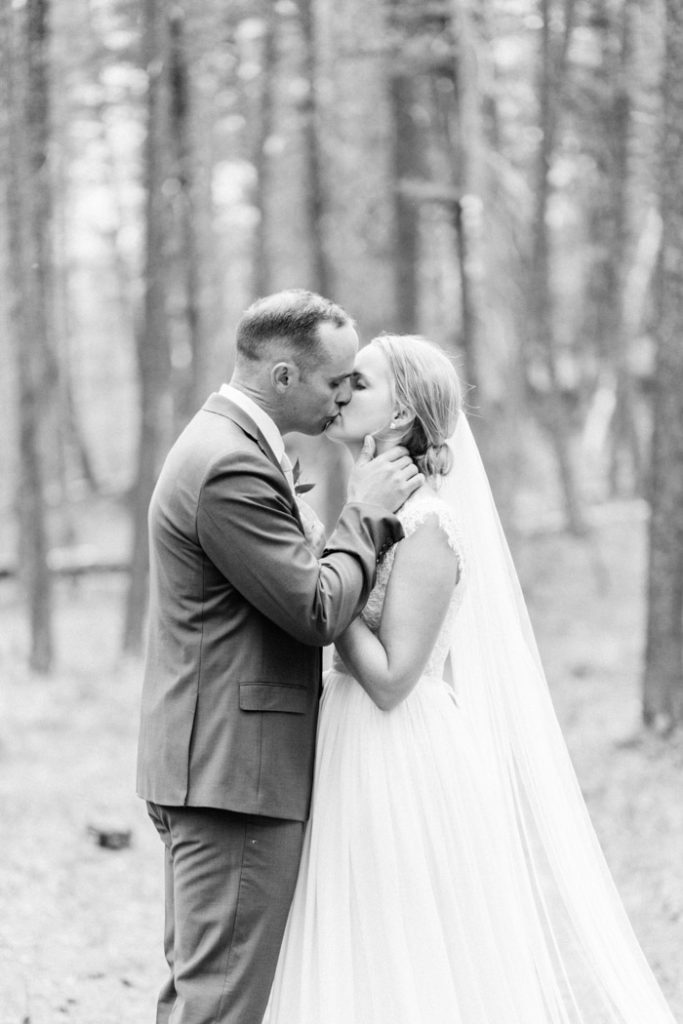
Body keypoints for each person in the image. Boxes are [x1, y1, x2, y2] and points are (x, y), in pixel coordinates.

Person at [264, 334, 678, 1024]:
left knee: (405, 945)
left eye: (357, 385)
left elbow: (394, 679)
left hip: (395, 752)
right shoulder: (371, 509)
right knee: (349, 934)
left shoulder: (427, 524)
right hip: (340, 738)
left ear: (400, 416)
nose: (337, 395)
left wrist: (317, 582)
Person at [136, 291, 424, 1024]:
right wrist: (363, 511)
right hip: (236, 773)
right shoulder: (228, 462)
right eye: (335, 383)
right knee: (219, 1003)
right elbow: (315, 610)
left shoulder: (232, 443)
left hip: (222, 764)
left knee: (205, 992)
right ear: (286, 377)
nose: (341, 399)